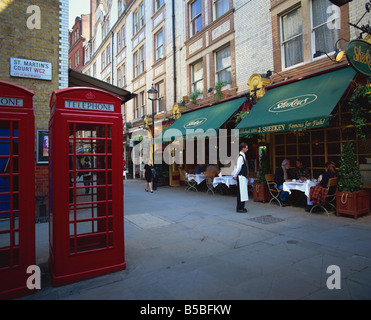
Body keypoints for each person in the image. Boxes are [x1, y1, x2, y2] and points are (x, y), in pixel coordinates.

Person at [232, 142, 249, 213]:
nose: (247, 149)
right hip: (241, 176)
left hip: (243, 177)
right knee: (241, 193)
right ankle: (239, 208)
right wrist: (235, 175)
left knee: (243, 192)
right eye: (246, 148)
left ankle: (242, 207)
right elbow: (238, 168)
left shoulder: (242, 156)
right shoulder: (240, 157)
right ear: (243, 148)